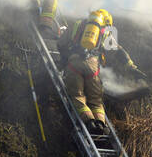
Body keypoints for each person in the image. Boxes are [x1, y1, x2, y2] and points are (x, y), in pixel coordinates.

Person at [61, 8, 143, 136]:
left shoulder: (78, 24)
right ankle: (100, 123)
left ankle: (89, 122)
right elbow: (119, 51)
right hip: (93, 66)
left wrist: (64, 60)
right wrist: (132, 67)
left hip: (74, 63)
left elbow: (61, 43)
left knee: (77, 96)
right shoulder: (105, 32)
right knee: (96, 100)